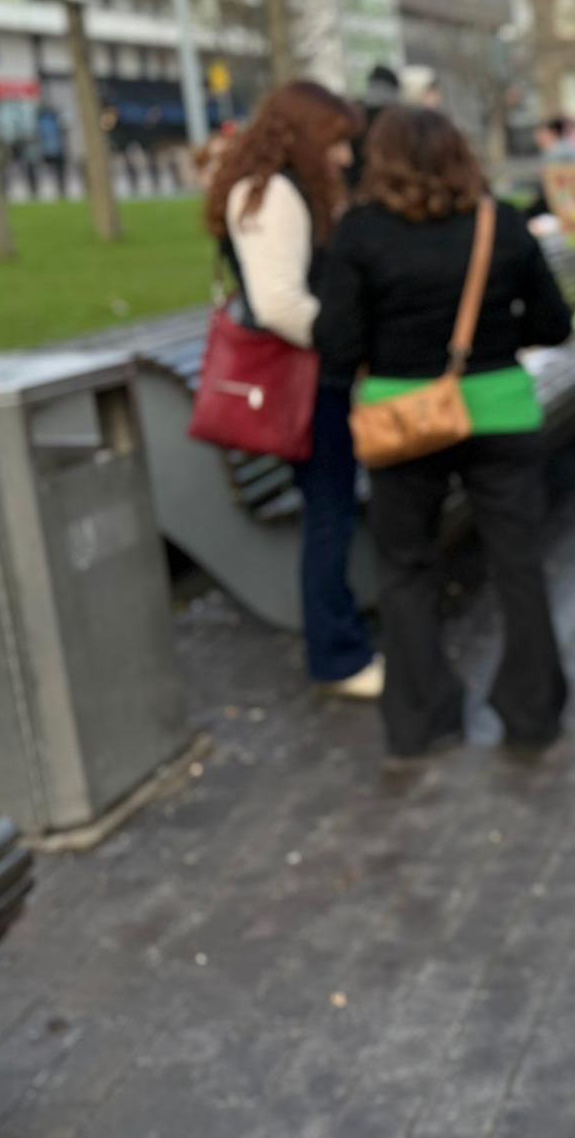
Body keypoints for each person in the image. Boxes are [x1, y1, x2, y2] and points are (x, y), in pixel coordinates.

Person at [314, 107, 573, 762]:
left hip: (401, 419)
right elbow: (555, 321)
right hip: (501, 413)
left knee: (406, 568)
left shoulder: (360, 232)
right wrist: (487, 345)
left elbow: (337, 345)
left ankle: (420, 718)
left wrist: (393, 351)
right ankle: (532, 711)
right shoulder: (500, 222)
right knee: (518, 565)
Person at [203, 81, 377, 699]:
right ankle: (337, 654)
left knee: (328, 508)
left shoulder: (270, 187)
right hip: (305, 381)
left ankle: (339, 639)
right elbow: (280, 302)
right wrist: (343, 343)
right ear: (304, 135)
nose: (345, 158)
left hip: (309, 376)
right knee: (328, 512)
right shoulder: (274, 194)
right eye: (335, 143)